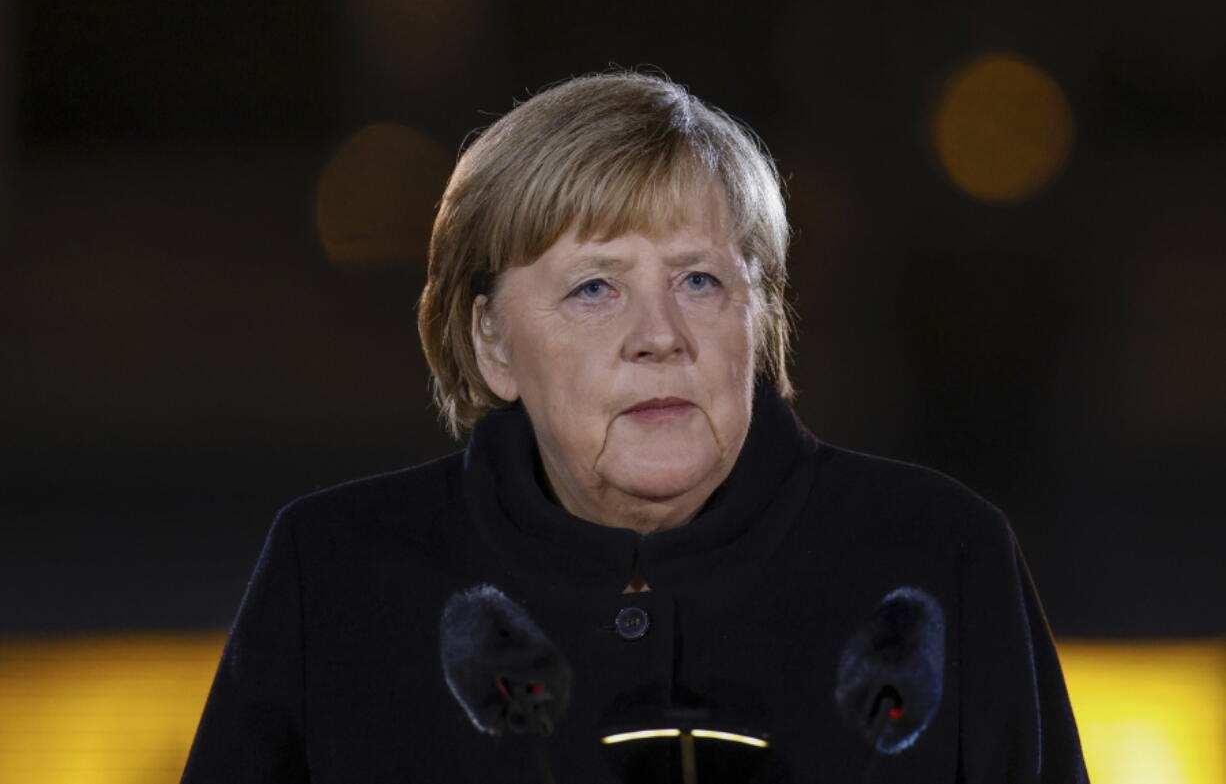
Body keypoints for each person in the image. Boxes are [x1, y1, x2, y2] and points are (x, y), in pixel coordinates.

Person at [182, 71, 1089, 783]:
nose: (660, 337)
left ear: (760, 318)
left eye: (700, 281)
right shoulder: (336, 570)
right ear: (490, 340)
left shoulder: (944, 554)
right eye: (594, 287)